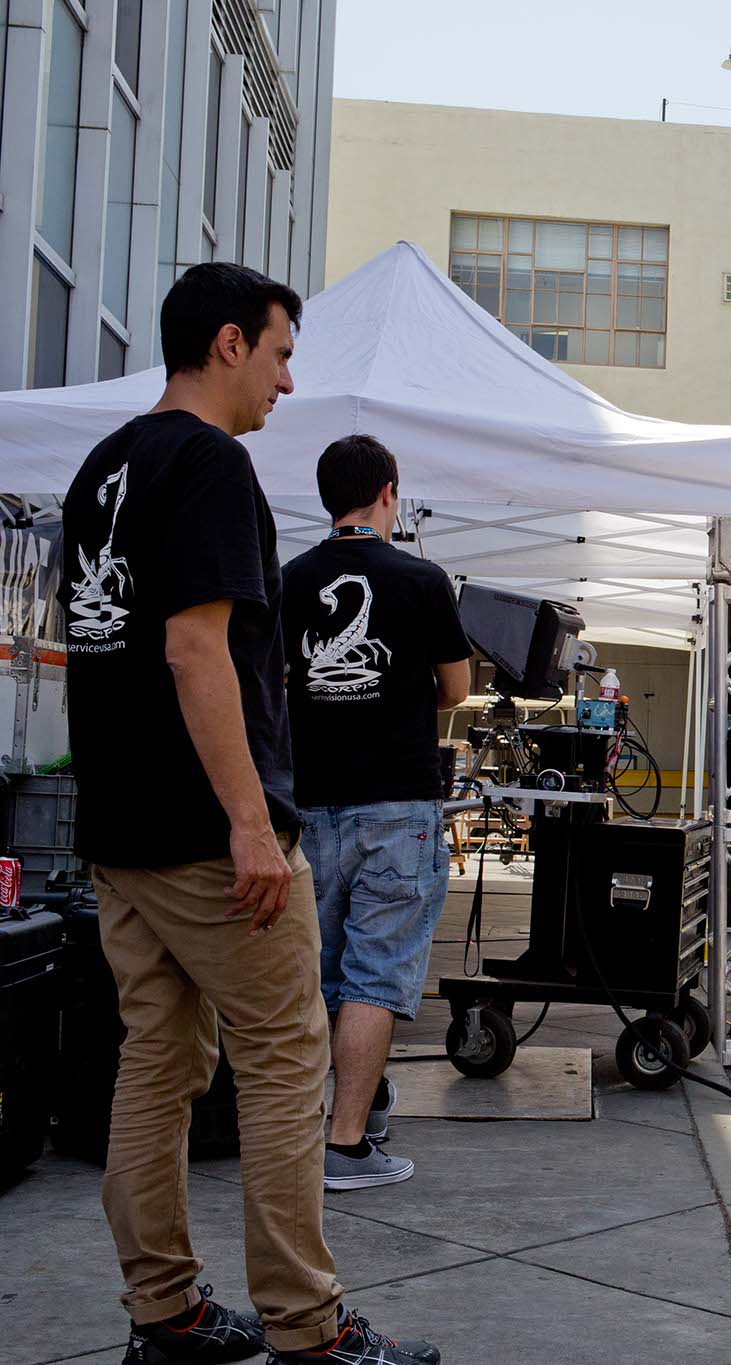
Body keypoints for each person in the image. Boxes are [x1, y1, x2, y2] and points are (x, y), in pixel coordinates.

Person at [60, 263, 439, 1365]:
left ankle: (164, 1311)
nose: (286, 380)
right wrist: (246, 822)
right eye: (279, 353)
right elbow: (194, 649)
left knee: (156, 1059)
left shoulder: (101, 467)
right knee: (282, 1056)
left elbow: (106, 647)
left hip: (122, 828)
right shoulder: (210, 463)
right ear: (229, 342)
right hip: (204, 830)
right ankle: (306, 1327)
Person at [282, 435, 472, 1191]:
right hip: (397, 806)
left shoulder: (290, 578)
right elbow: (455, 689)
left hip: (310, 805)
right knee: (376, 976)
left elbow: (276, 684)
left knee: (324, 974)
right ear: (389, 491)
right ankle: (346, 1145)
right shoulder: (422, 579)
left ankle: (353, 1106)